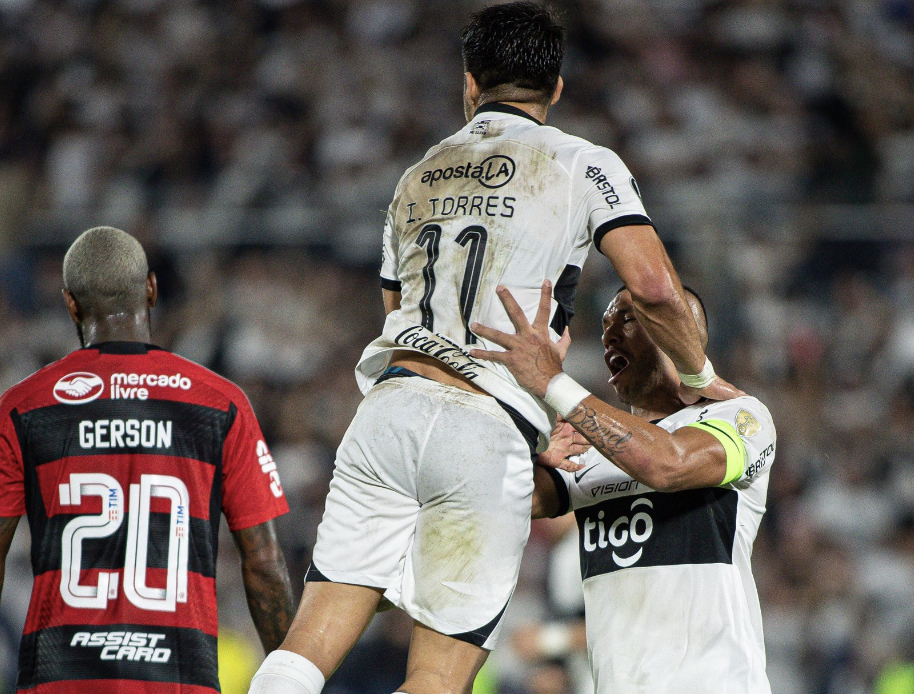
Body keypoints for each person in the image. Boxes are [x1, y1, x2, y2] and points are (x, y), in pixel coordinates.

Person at [251, 4, 739, 694]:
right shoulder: (581, 162)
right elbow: (656, 287)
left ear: (470, 83)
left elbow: (396, 312)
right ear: (558, 88)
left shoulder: (418, 173)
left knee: (307, 645)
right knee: (435, 677)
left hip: (388, 411)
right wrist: (699, 375)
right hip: (484, 424)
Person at [0, 227, 295, 693]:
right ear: (152, 290)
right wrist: (295, 680)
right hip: (179, 678)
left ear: (71, 304)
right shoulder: (221, 404)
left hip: (60, 679)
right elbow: (264, 564)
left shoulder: (24, 407)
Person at [470, 283, 775, 693]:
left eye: (629, 319)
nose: (609, 334)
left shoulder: (739, 416)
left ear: (682, 333)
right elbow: (506, 500)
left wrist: (554, 383)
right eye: (605, 325)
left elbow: (668, 464)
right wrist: (531, 440)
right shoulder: (592, 446)